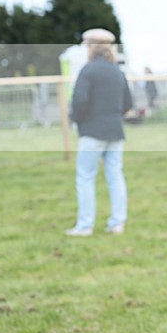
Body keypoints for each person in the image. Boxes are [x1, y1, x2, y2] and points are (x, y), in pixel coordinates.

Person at [65, 28, 133, 236]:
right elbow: (128, 103)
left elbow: (79, 101)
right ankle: (117, 223)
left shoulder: (87, 70)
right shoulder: (117, 71)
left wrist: (76, 119)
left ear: (90, 48)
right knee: (115, 176)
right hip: (115, 132)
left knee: (85, 177)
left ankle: (85, 225)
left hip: (91, 133)